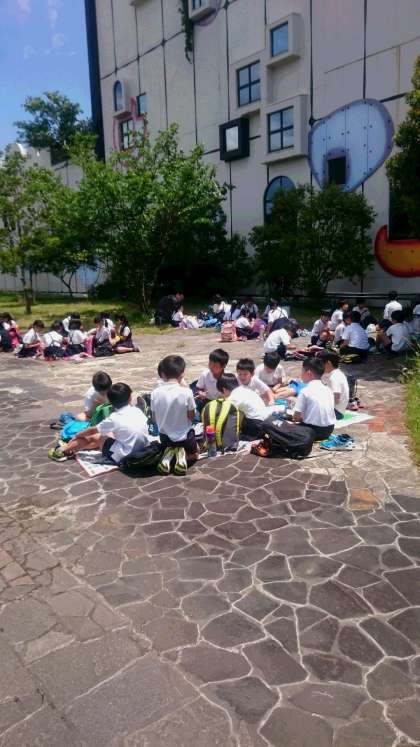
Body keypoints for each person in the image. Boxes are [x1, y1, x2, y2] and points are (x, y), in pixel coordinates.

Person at [50, 383, 149, 463]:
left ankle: (63, 449)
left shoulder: (114, 417)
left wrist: (77, 435)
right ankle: (72, 448)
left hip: (125, 456)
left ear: (111, 402)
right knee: (103, 434)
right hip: (143, 450)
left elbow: (92, 431)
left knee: (97, 436)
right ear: (130, 398)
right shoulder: (137, 411)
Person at [151, 355, 198, 476]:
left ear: (163, 374)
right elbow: (191, 417)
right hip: (185, 439)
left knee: (169, 443)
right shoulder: (187, 392)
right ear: (182, 374)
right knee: (196, 453)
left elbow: (154, 418)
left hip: (165, 439)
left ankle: (169, 456)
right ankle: (181, 457)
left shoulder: (155, 393)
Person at [293, 357, 336, 441]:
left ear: (308, 373)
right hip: (329, 430)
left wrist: (299, 419)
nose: (301, 374)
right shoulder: (328, 390)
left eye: (302, 371)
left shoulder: (305, 391)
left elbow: (296, 417)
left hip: (311, 431)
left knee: (283, 425)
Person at [217, 373, 267, 439]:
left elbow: (223, 416)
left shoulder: (232, 398)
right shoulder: (243, 389)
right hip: (265, 420)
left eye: (221, 393)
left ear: (224, 389)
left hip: (256, 424)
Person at [318, 349, 349, 420]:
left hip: (336, 412)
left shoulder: (335, 377)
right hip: (333, 409)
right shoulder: (329, 373)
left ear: (328, 363)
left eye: (320, 364)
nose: (318, 366)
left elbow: (336, 399)